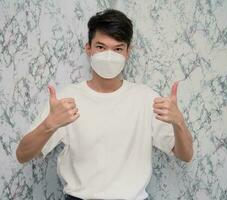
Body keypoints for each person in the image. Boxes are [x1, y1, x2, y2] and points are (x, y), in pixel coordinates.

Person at [16, 9, 193, 200]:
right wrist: (48, 125)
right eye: (101, 47)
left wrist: (179, 123)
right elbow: (22, 155)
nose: (109, 56)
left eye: (117, 49)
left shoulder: (146, 98)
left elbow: (185, 155)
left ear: (127, 52)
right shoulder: (67, 99)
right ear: (88, 48)